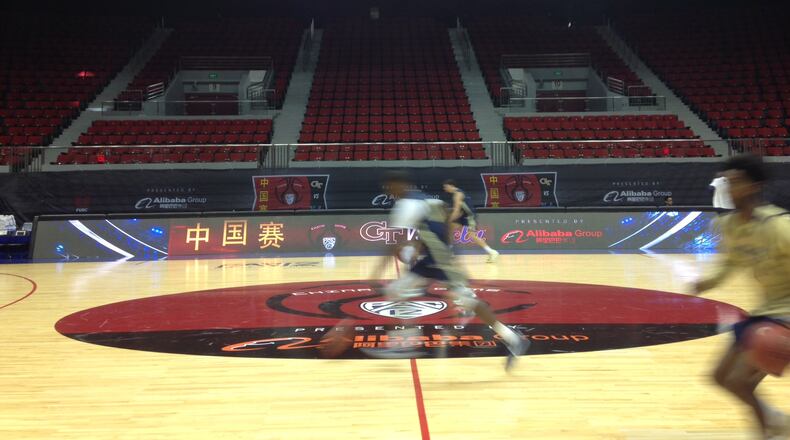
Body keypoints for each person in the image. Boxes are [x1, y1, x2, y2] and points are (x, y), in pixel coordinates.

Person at [367, 171, 529, 370]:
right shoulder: (427, 199)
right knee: (397, 292)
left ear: (400, 184)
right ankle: (405, 343)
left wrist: (375, 274)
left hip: (438, 259)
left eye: (390, 186)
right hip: (435, 258)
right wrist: (440, 251)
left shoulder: (406, 204)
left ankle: (513, 338)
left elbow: (394, 244)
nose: (389, 191)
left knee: (468, 301)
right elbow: (445, 221)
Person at [693, 155, 790, 440]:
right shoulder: (729, 226)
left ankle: (769, 430)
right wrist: (707, 282)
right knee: (720, 378)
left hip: (786, 313)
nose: (729, 188)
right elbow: (731, 263)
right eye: (726, 182)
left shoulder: (779, 226)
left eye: (736, 182)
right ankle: (775, 421)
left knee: (738, 380)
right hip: (766, 310)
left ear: (754, 186)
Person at [442, 179, 499, 263]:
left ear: (451, 185)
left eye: (445, 187)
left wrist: (448, 220)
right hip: (462, 216)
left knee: (472, 235)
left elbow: (456, 210)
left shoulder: (458, 194)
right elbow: (460, 211)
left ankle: (492, 252)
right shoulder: (457, 193)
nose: (445, 189)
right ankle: (450, 252)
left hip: (469, 217)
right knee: (449, 228)